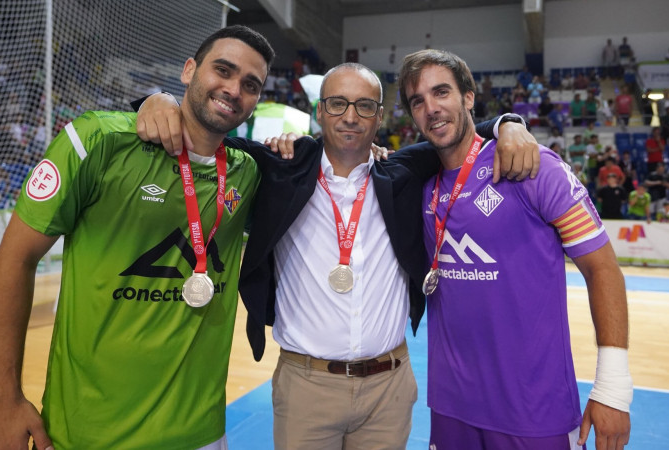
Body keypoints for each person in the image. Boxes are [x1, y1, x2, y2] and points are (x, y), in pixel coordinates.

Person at [137, 62, 539, 448]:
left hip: (388, 389)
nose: (350, 116)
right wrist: (157, 100)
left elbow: (457, 132)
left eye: (365, 106)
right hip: (305, 388)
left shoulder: (401, 172)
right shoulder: (280, 168)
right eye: (338, 103)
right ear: (319, 110)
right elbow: (208, 131)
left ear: (378, 116)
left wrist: (509, 124)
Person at [0, 25, 277, 449]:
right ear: (189, 70)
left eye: (250, 84)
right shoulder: (98, 142)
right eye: (223, 70)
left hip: (202, 434)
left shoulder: (246, 173)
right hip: (87, 433)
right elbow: (13, 260)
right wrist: (1, 400)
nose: (233, 89)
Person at [398, 48, 631, 449]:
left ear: (468, 97)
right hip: (451, 409)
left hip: (533, 413)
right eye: (418, 101)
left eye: (441, 93)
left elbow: (602, 269)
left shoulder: (535, 168)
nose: (432, 108)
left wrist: (612, 386)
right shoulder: (417, 186)